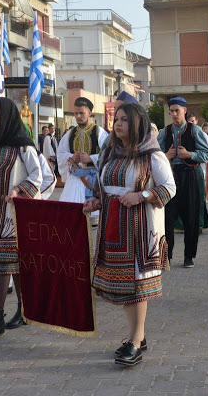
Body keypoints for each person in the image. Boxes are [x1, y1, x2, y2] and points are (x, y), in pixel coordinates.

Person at [83, 103, 176, 366]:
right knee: (125, 286)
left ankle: (135, 342)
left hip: (140, 229)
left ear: (137, 124)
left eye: (125, 120)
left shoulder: (152, 155)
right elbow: (105, 188)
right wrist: (95, 202)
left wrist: (141, 195)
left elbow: (169, 188)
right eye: (117, 119)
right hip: (113, 228)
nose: (118, 124)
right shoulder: (110, 153)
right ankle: (138, 336)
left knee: (136, 286)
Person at [0, 97, 43, 338]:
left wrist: (18, 190)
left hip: (17, 212)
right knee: (12, 262)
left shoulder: (23, 144)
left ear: (8, 114)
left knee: (6, 262)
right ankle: (23, 309)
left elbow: (38, 175)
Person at [157, 97, 208, 268]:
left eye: (177, 110)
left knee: (191, 218)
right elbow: (155, 156)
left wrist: (190, 155)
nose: (174, 114)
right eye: (171, 111)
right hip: (170, 177)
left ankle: (189, 256)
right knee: (167, 218)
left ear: (185, 110)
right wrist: (166, 156)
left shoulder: (195, 131)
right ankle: (168, 255)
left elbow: (207, 154)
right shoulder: (163, 132)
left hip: (190, 176)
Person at [57, 97, 109, 224]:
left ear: (89, 113)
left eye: (82, 113)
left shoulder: (99, 132)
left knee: (92, 221)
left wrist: (91, 158)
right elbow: (60, 153)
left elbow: (108, 154)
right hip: (74, 182)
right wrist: (71, 157)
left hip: (92, 182)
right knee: (69, 218)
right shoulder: (70, 133)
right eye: (76, 113)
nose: (78, 116)